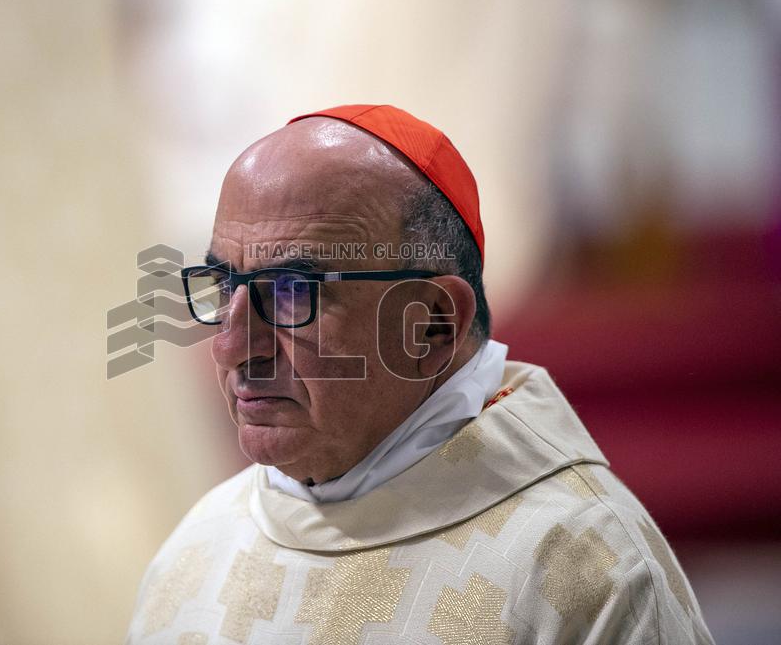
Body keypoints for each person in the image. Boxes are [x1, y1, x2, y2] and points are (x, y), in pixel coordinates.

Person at [125, 105, 715, 644]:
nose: (232, 345)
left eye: (292, 291)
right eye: (226, 285)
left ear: (431, 325)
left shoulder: (587, 571)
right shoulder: (200, 546)